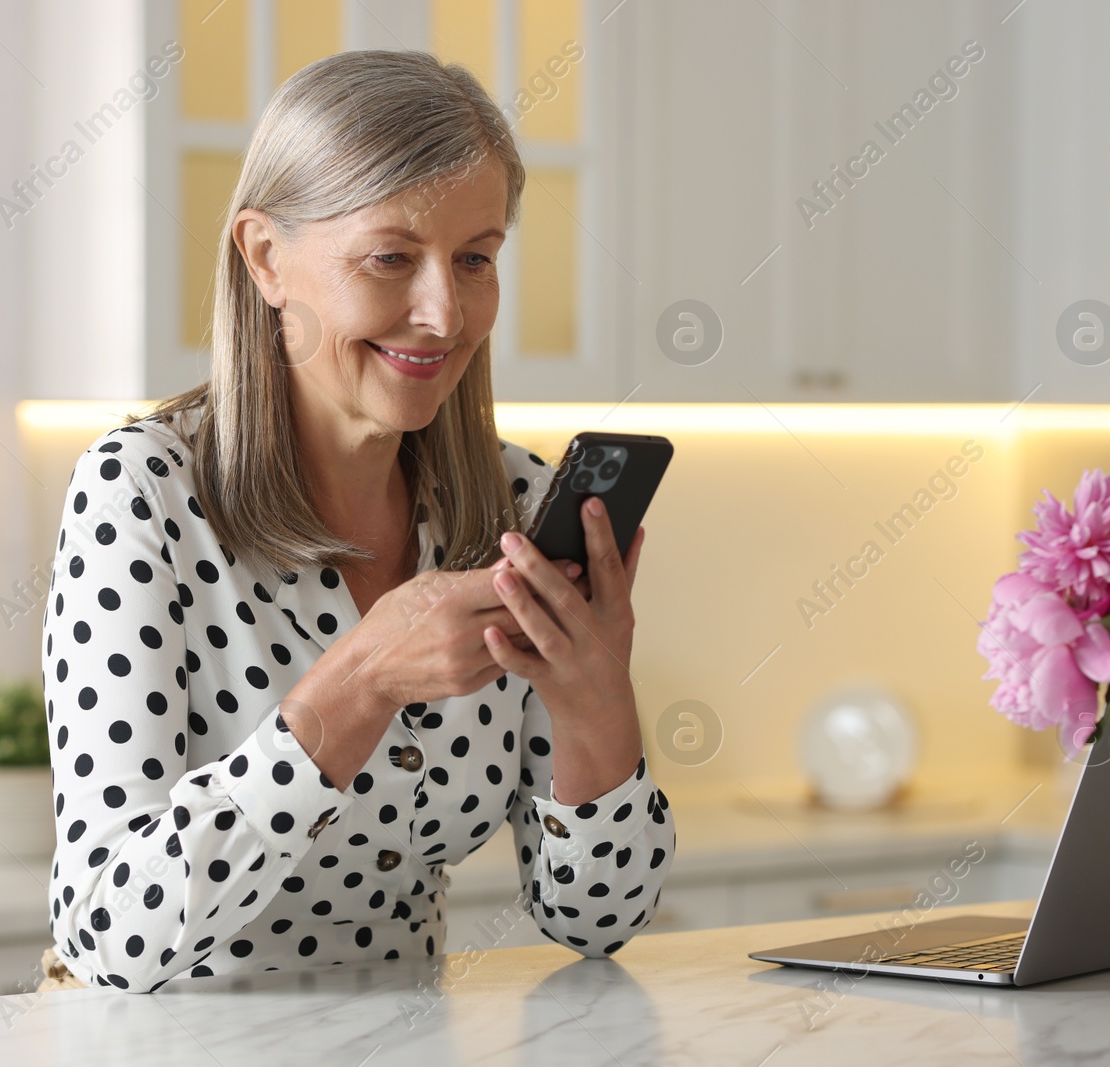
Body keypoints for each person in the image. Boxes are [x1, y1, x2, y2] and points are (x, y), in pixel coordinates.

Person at [39, 49, 675, 992]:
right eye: (391, 258)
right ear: (265, 258)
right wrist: (362, 677)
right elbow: (109, 932)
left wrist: (596, 708)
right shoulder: (143, 495)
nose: (443, 312)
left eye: (475, 259)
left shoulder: (514, 507)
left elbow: (598, 919)